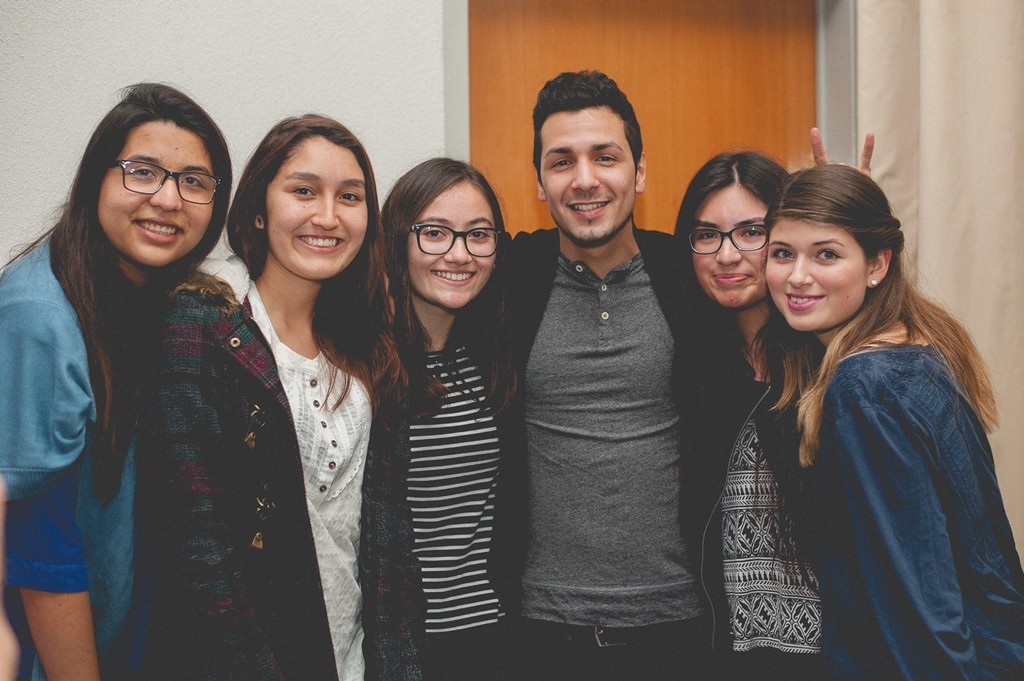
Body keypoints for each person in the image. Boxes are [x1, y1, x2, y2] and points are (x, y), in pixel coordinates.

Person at [138, 114, 403, 680]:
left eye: (349, 196)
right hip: (249, 659)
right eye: (303, 191)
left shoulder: (364, 339)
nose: (327, 216)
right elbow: (198, 543)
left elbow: (381, 537)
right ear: (259, 208)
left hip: (350, 655)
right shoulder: (206, 324)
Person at [0, 82, 232, 681]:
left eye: (194, 181)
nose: (168, 199)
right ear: (96, 180)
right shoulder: (38, 316)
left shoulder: (145, 297)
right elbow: (38, 553)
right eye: (142, 171)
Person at [764, 164, 1024, 679]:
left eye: (827, 254)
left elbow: (916, 596)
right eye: (781, 253)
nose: (797, 275)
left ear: (878, 264)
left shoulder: (867, 386)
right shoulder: (918, 347)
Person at [503, 69, 705, 681]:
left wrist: (839, 221)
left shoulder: (691, 276)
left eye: (606, 157)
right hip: (540, 624)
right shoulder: (509, 278)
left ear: (639, 173)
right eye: (561, 161)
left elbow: (789, 297)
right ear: (539, 182)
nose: (585, 179)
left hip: (682, 622)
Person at [361, 158, 519, 681]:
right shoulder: (361, 366)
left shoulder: (498, 358)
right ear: (396, 241)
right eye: (435, 233)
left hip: (492, 636)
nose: (458, 254)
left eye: (479, 235)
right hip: (397, 642)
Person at [674, 151, 825, 680]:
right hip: (726, 652)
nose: (727, 255)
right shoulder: (693, 367)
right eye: (707, 235)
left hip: (835, 654)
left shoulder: (835, 363)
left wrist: (841, 230)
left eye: (751, 232)